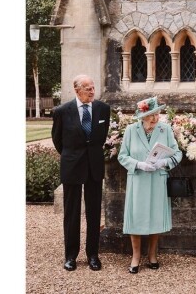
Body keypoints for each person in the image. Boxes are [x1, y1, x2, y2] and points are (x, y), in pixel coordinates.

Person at [51, 75, 110, 271]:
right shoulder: (62, 111)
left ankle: (93, 255)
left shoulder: (103, 109)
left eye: (93, 88)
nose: (92, 91)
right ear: (77, 90)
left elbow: (100, 138)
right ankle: (70, 256)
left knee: (94, 213)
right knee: (72, 213)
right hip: (72, 166)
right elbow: (58, 140)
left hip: (94, 166)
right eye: (88, 88)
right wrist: (72, 157)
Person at [118, 96, 182, 274]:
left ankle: (152, 255)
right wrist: (139, 164)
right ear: (142, 116)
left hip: (157, 178)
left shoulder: (165, 129)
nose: (155, 118)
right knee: (136, 217)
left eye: (157, 114)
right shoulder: (131, 130)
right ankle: (136, 256)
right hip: (138, 178)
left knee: (155, 216)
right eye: (151, 115)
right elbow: (122, 156)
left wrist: (164, 163)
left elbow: (177, 154)